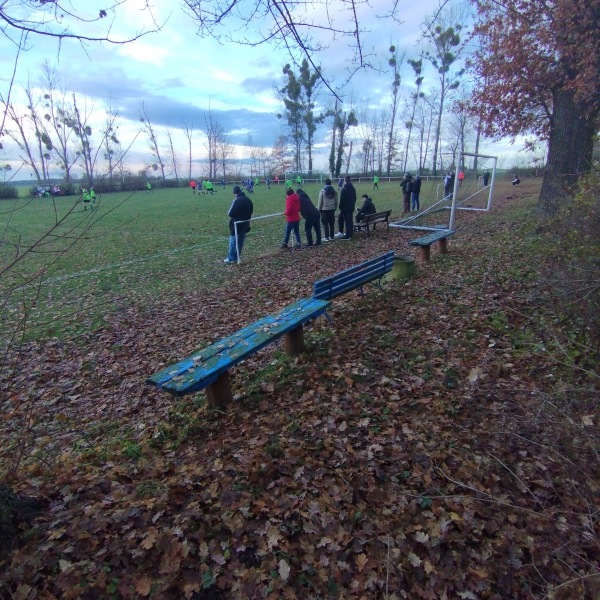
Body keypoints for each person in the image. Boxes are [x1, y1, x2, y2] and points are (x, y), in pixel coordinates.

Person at [224, 185, 253, 263]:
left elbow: (230, 213)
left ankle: (231, 258)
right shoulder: (248, 200)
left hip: (236, 224)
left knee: (233, 241)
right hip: (246, 224)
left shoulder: (236, 200)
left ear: (235, 193)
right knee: (240, 242)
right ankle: (237, 257)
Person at [335, 176, 357, 240]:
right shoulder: (353, 188)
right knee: (349, 220)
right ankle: (350, 233)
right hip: (351, 207)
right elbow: (355, 198)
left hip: (345, 208)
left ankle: (348, 235)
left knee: (347, 221)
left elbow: (342, 200)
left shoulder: (344, 189)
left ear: (345, 180)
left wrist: (340, 207)